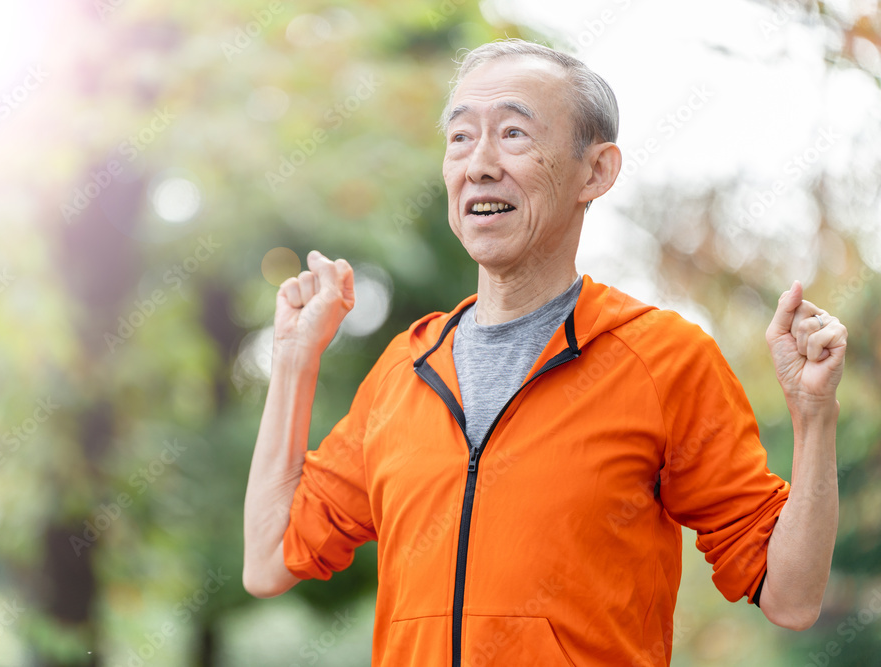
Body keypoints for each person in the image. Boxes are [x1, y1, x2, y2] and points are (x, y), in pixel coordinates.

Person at [242, 39, 848, 666]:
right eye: (460, 137)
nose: (478, 164)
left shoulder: (663, 359)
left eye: (512, 133)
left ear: (597, 171)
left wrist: (813, 414)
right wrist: (293, 357)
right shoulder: (405, 369)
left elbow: (791, 597)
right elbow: (268, 559)